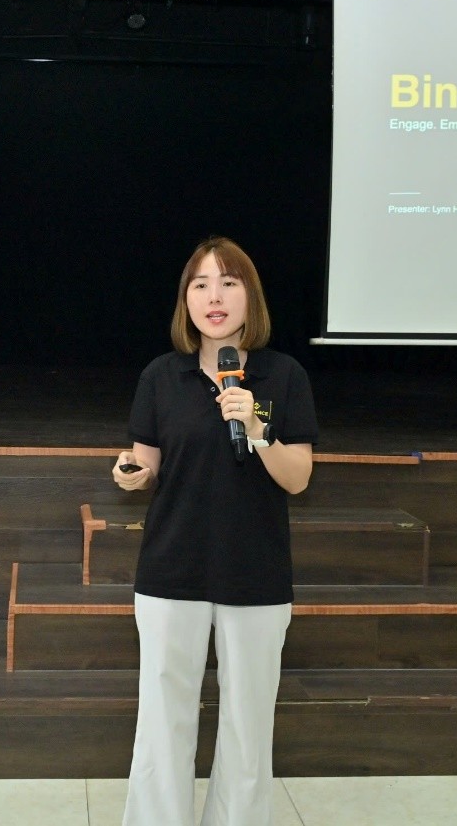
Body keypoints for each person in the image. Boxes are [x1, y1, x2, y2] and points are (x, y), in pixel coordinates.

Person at [113, 236, 318, 826]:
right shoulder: (161, 376)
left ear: (251, 297)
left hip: (255, 571)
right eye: (200, 285)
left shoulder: (283, 375)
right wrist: (130, 473)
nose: (215, 297)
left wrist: (256, 428)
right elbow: (145, 463)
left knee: (248, 727)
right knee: (162, 720)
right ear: (187, 301)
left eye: (229, 283)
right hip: (171, 567)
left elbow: (298, 478)